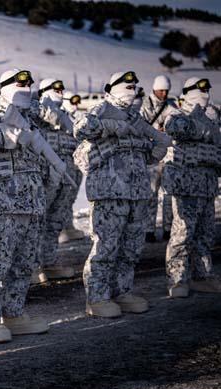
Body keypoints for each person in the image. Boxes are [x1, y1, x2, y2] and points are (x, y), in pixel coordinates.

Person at [0, 69, 50, 343]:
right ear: (3, 88)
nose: (25, 87)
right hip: (1, 202)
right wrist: (8, 137)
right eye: (19, 83)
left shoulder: (32, 122)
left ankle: (14, 313)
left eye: (29, 83)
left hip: (31, 202)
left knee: (24, 262)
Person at [74, 71, 155, 318]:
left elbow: (144, 150)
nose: (132, 90)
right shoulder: (101, 109)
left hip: (137, 191)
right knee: (106, 247)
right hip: (110, 192)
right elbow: (81, 128)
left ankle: (123, 291)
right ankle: (97, 297)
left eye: (135, 87)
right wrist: (109, 125)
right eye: (127, 86)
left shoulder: (134, 116)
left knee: (130, 247)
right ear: (113, 88)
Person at [163, 77, 221, 297]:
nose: (205, 93)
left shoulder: (211, 117)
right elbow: (177, 129)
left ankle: (202, 276)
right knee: (183, 234)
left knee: (205, 234)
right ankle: (177, 280)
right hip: (186, 187)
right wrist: (204, 126)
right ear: (188, 92)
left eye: (207, 89)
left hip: (207, 186)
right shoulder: (177, 114)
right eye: (200, 90)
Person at [33, 78, 81, 280]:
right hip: (43, 176)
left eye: (62, 89)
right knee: (37, 221)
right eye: (56, 89)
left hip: (65, 177)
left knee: (55, 221)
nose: (60, 92)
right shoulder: (36, 112)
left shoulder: (67, 118)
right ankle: (32, 265)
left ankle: (48, 261)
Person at [140, 75, 178, 242]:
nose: (163, 93)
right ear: (154, 89)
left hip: (168, 155)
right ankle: (149, 229)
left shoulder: (171, 106)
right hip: (152, 155)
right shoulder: (145, 105)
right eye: (161, 90)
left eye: (166, 90)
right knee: (151, 193)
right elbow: (140, 125)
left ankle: (168, 228)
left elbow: (179, 119)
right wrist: (157, 129)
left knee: (169, 193)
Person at [58, 90, 86, 244]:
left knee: (71, 197)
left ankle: (68, 225)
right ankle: (59, 228)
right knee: (62, 197)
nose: (75, 105)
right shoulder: (60, 118)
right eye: (72, 102)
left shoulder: (77, 118)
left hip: (76, 163)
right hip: (64, 162)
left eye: (77, 102)